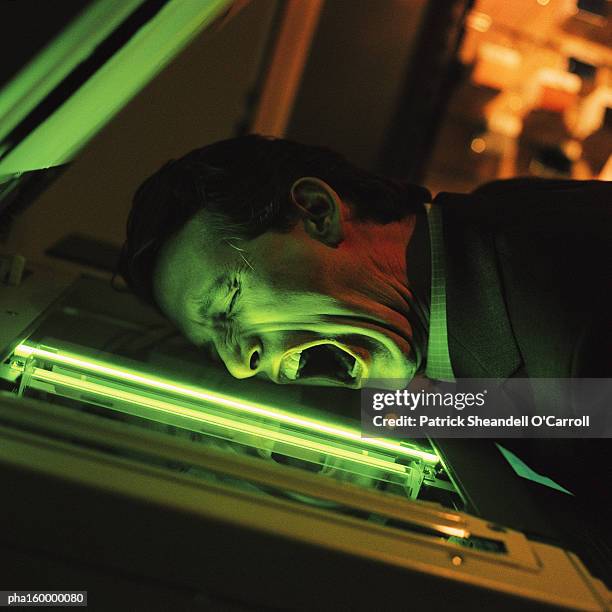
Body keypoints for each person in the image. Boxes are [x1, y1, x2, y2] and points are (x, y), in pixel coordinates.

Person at [119, 134, 611, 389]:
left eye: (227, 306)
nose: (237, 367)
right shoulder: (489, 215)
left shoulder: (576, 336)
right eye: (213, 349)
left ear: (317, 212)